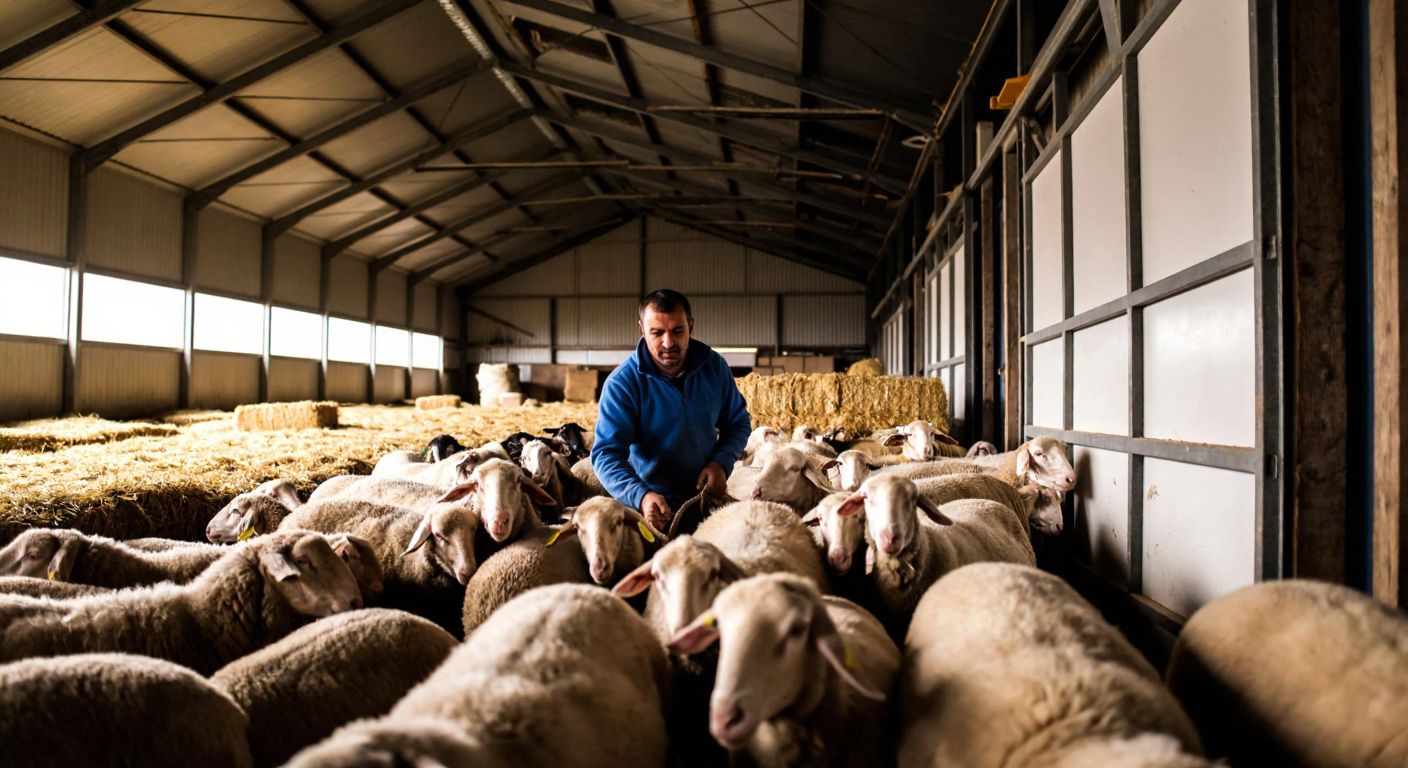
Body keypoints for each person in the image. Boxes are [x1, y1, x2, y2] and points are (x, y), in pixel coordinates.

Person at [591, 289, 752, 529]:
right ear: (642, 330)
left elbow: (738, 423)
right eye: (657, 332)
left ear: (691, 327)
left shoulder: (714, 368)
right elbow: (606, 454)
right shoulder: (623, 384)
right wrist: (640, 495)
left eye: (677, 331)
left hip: (707, 501)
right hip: (653, 510)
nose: (668, 343)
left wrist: (721, 463)